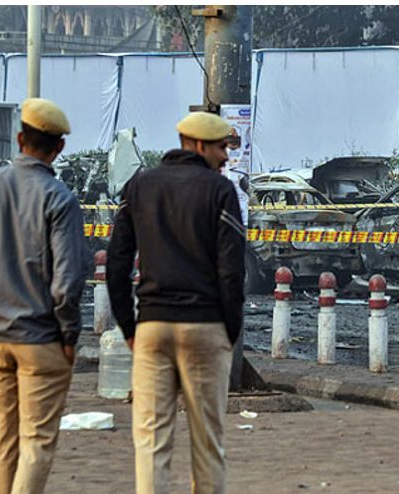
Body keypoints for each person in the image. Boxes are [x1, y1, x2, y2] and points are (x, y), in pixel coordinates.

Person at [0, 98, 89, 494]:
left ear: (19, 139)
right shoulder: (60, 198)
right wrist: (69, 334)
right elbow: (67, 281)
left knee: (4, 437)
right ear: (59, 147)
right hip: (42, 339)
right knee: (37, 440)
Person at [106, 112, 245, 494]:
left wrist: (130, 327)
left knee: (151, 442)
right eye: (221, 148)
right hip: (205, 327)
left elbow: (116, 264)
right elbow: (232, 271)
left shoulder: (139, 186)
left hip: (152, 327)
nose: (226, 157)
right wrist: (229, 331)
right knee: (208, 443)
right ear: (199, 145)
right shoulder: (220, 191)